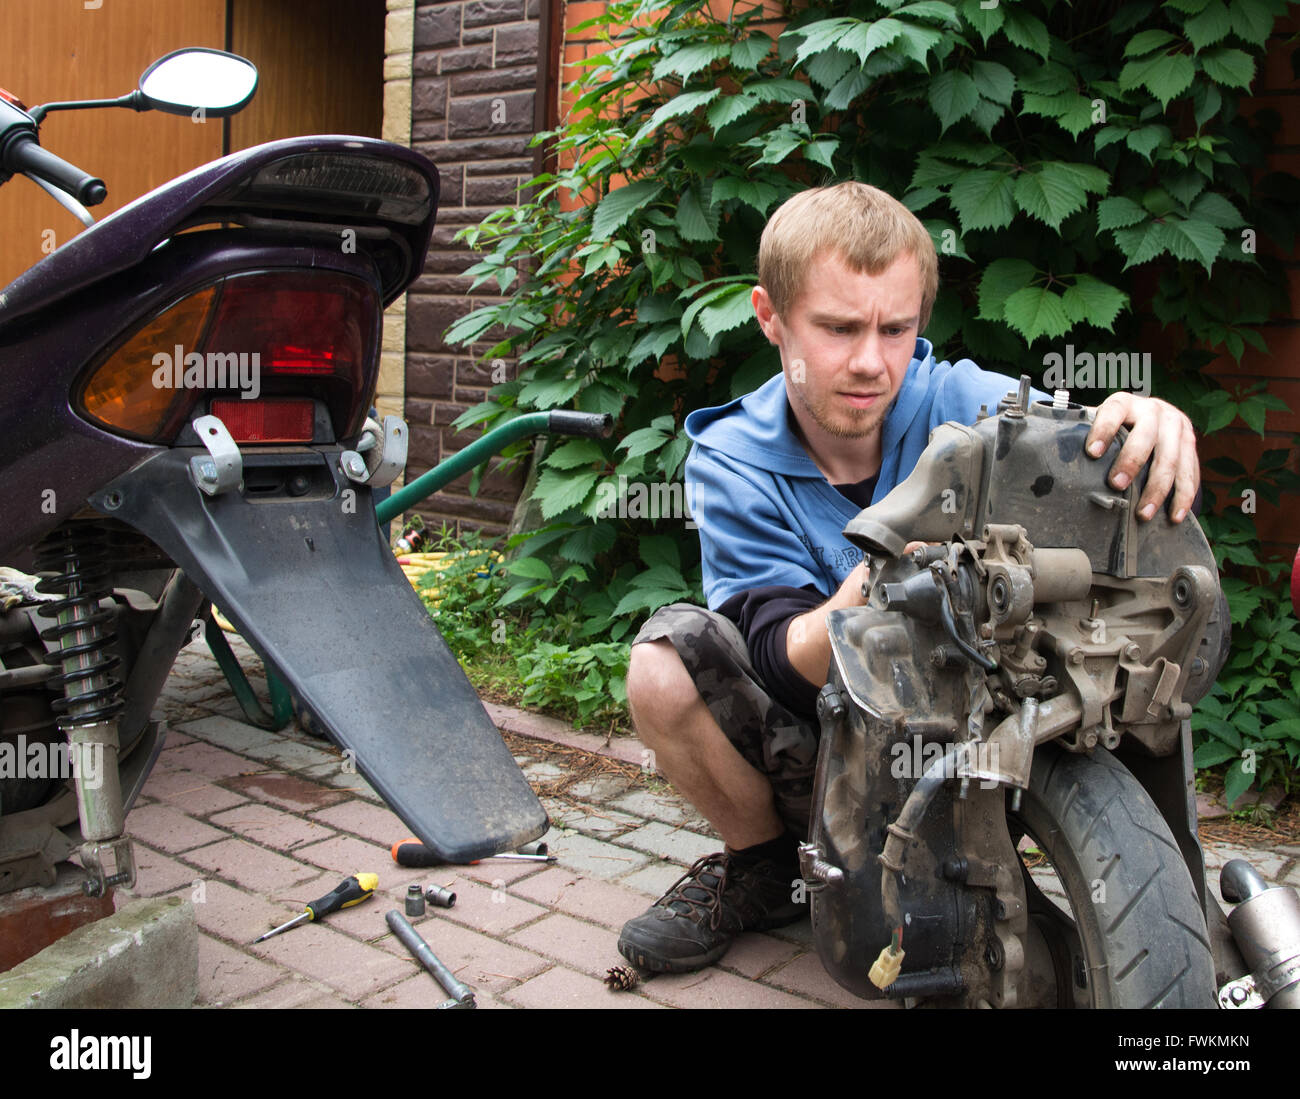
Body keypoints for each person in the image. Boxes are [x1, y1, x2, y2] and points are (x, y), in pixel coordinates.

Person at [615, 181, 1201, 975]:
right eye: (838, 327)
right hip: (824, 738)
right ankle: (760, 866)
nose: (870, 361)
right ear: (769, 316)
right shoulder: (732, 458)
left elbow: (1082, 450)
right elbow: (784, 664)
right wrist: (887, 566)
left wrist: (1144, 419)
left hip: (974, 736)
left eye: (896, 328)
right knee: (659, 668)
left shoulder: (961, 400)